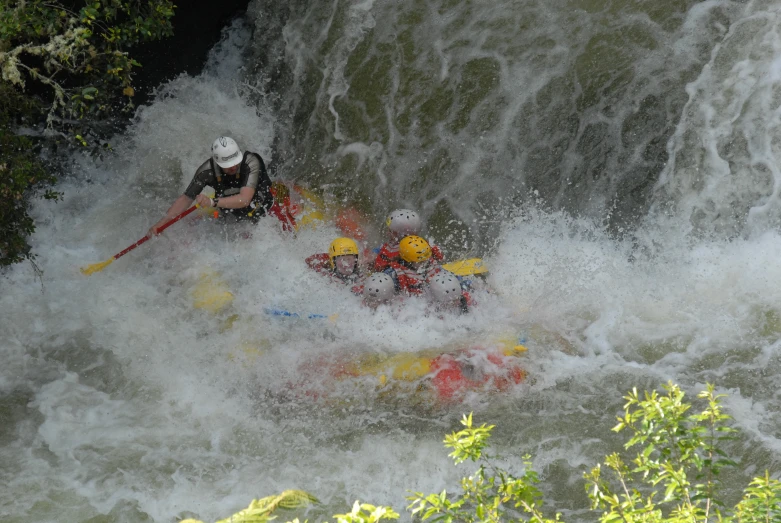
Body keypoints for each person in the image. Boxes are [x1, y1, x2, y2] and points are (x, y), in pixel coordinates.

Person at [148, 136, 293, 235]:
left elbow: (244, 199)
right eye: (227, 165)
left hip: (265, 210)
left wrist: (212, 202)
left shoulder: (251, 161)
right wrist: (161, 224)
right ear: (217, 162)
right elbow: (186, 198)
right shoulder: (206, 171)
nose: (233, 167)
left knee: (288, 233)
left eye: (235, 162)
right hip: (233, 216)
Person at [373, 209, 443, 271]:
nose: (387, 233)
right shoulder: (424, 243)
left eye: (391, 231)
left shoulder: (392, 249)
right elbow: (439, 256)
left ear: (401, 233)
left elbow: (379, 265)